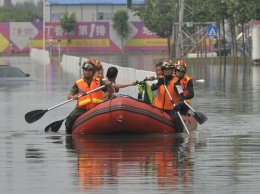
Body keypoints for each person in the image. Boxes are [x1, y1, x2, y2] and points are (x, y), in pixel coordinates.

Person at [65, 59, 113, 134]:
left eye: (89, 70)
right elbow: (69, 96)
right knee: (69, 119)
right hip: (82, 109)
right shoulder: (78, 83)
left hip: (97, 107)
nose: (87, 72)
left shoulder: (99, 82)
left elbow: (111, 91)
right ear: (83, 71)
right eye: (85, 70)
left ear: (93, 72)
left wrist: (109, 85)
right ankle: (69, 134)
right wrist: (73, 97)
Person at [151, 59, 184, 132]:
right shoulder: (160, 79)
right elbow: (152, 88)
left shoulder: (176, 82)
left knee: (177, 120)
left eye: (169, 70)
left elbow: (181, 96)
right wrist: (158, 83)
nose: (167, 71)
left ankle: (179, 137)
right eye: (166, 70)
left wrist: (179, 104)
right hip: (158, 108)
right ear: (163, 71)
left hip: (171, 109)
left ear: (172, 70)